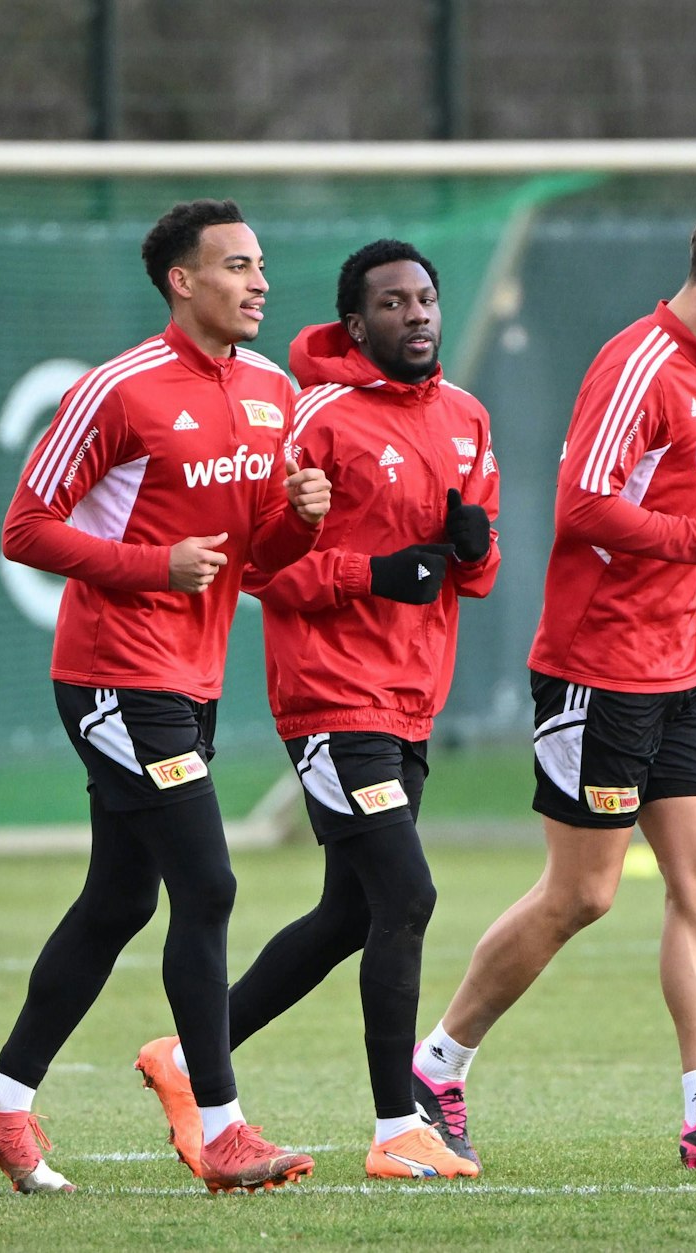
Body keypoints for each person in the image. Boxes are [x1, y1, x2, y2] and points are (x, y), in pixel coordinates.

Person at [410, 194, 696, 1171]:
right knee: (582, 892)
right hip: (599, 672)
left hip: (676, 663)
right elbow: (583, 507)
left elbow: (648, 509)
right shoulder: (635, 363)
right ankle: (435, 1063)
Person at [0, 198, 333, 1196]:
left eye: (260, 264)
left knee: (121, 896)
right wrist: (149, 564)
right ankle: (222, 1128)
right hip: (114, 674)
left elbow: (254, 565)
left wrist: (298, 519)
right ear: (181, 280)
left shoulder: (269, 388)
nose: (257, 281)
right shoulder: (117, 389)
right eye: (236, 265)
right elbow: (24, 528)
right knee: (206, 881)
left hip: (189, 678)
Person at [134, 240, 498, 1182]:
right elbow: (263, 566)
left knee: (350, 913)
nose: (416, 314)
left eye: (426, 297)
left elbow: (477, 578)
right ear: (355, 325)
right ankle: (394, 1128)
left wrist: (473, 548)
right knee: (408, 896)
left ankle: (186, 1052)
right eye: (392, 303)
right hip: (334, 699)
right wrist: (368, 572)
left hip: (414, 698)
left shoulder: (467, 417)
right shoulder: (316, 417)